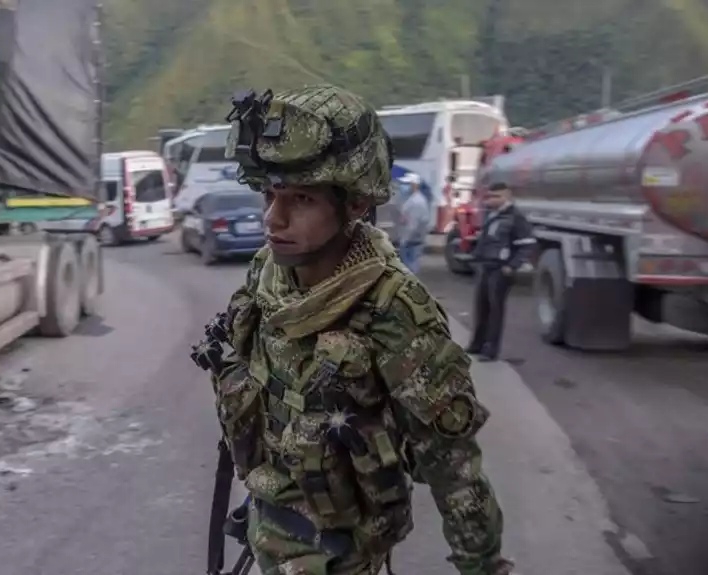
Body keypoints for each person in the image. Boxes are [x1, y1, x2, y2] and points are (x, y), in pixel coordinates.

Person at [197, 85, 514, 575]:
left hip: (338, 558)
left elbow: (455, 470)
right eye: (269, 194)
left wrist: (483, 566)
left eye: (301, 198)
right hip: (265, 534)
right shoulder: (268, 274)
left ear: (357, 205)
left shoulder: (394, 311)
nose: (272, 217)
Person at [467, 181, 535, 362]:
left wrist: (511, 266)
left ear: (507, 196)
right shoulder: (491, 215)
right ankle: (477, 344)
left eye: (496, 196)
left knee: (496, 310)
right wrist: (476, 257)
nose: (491, 200)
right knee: (481, 308)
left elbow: (527, 245)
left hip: (500, 269)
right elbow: (486, 240)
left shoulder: (516, 217)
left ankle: (490, 350)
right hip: (486, 267)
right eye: (489, 196)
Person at [396, 173, 431, 273]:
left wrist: (404, 240)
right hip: (413, 238)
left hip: (411, 239)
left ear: (414, 185)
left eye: (406, 184)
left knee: (410, 266)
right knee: (411, 265)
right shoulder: (414, 199)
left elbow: (413, 224)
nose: (403, 186)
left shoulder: (416, 202)